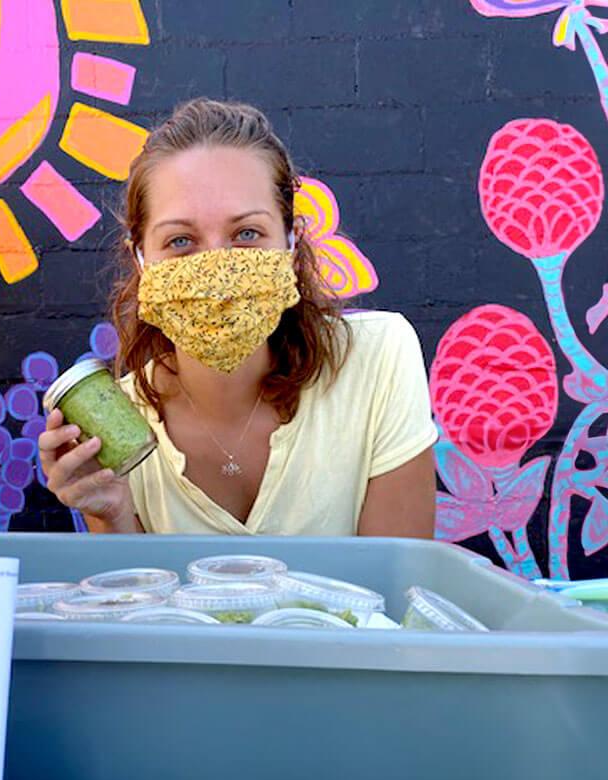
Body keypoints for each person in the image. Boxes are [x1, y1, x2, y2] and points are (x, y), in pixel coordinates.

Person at [39, 98, 437, 537]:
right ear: (141, 260)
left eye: (246, 234)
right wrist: (109, 513)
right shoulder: (119, 433)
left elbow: (395, 582)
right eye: (180, 241)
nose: (217, 272)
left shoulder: (376, 361)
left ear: (288, 242)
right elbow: (140, 603)